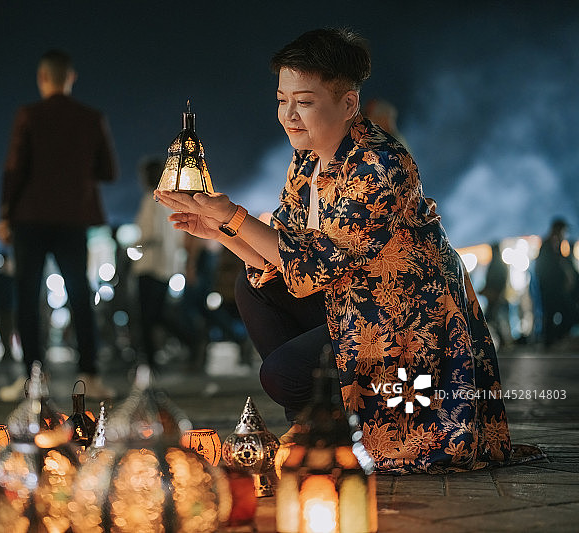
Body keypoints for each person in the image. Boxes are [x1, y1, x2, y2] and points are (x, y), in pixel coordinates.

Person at [156, 28, 512, 473]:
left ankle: (337, 430)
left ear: (348, 104)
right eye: (281, 100)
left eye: (304, 102)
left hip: (403, 322)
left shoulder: (380, 164)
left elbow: (312, 265)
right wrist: (222, 231)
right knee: (254, 289)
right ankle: (311, 427)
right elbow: (285, 250)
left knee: (283, 374)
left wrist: (234, 215)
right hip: (351, 302)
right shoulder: (307, 158)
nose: (288, 115)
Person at [0, 49, 117, 400]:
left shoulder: (29, 115)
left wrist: (6, 214)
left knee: (28, 298)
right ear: (71, 77)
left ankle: (34, 379)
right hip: (73, 218)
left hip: (30, 217)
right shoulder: (91, 118)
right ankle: (90, 374)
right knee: (80, 295)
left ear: (42, 78)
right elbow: (108, 171)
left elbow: (15, 168)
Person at [131, 157, 202, 369]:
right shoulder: (171, 203)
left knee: (146, 317)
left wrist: (135, 248)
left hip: (149, 266)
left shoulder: (150, 200)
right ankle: (190, 341)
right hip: (166, 267)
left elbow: (150, 234)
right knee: (159, 314)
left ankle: (150, 362)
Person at [534, 218, 579, 346]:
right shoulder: (548, 245)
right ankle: (552, 340)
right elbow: (543, 269)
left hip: (556, 289)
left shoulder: (556, 245)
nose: (564, 234)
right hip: (551, 289)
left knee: (560, 313)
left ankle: (554, 339)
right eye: (563, 231)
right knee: (557, 313)